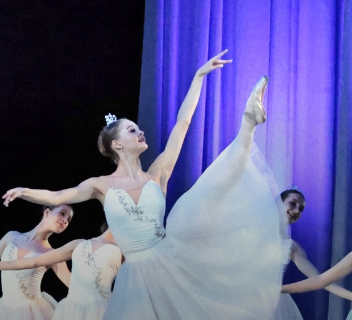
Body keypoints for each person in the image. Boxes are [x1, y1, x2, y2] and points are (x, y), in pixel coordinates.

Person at [3, 51, 288, 320]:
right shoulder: (100, 185)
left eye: (139, 129)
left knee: (212, 189)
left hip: (168, 261)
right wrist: (23, 191)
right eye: (132, 130)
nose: (140, 132)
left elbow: (183, 123)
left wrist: (198, 77)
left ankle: (248, 123)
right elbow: (56, 196)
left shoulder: (157, 173)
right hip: (136, 277)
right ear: (117, 144)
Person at [0, 226, 121, 320]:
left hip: (100, 310)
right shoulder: (78, 244)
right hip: (71, 310)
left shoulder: (124, 250)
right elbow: (35, 261)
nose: (65, 220)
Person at [273, 188, 352, 319]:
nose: (296, 211)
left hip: (269, 300)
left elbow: (321, 279)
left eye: (300, 209)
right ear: (279, 202)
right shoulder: (251, 230)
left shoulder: (292, 247)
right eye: (293, 203)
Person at [0, 204, 73, 320]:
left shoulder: (53, 254)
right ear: (47, 212)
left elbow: (75, 285)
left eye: (68, 219)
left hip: (31, 313)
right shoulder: (11, 236)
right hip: (4, 309)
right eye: (62, 213)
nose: (65, 220)